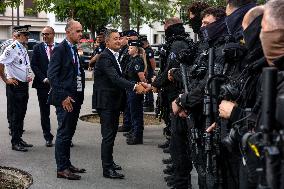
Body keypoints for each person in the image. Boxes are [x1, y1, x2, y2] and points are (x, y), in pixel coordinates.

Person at [92, 29, 146, 179]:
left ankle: (109, 161)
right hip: (107, 103)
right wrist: (135, 87)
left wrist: (139, 84)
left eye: (119, 38)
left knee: (111, 134)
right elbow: (115, 79)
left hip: (113, 102)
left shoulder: (113, 55)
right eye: (115, 39)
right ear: (107, 42)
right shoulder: (104, 57)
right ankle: (107, 168)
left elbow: (121, 77)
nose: (118, 41)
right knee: (108, 136)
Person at [47, 20, 86, 180]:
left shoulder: (73, 48)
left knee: (69, 133)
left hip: (75, 97)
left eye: (81, 30)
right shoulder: (60, 49)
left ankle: (67, 164)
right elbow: (52, 75)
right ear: (68, 31)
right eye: (77, 31)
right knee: (63, 133)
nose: (80, 34)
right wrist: (63, 96)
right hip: (65, 99)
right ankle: (61, 168)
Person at [0, 25, 33, 152]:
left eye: (27, 35)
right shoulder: (12, 48)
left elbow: (23, 65)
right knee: (16, 115)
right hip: (15, 86)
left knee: (21, 114)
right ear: (18, 36)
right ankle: (15, 142)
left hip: (24, 85)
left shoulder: (23, 48)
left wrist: (28, 76)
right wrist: (6, 79)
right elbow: (1, 63)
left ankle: (19, 138)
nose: (27, 37)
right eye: (25, 35)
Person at [31, 26, 55, 147]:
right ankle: (48, 137)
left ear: (53, 34)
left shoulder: (60, 47)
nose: (45, 36)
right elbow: (34, 65)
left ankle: (65, 137)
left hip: (58, 86)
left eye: (47, 34)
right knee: (44, 112)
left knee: (62, 112)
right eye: (43, 34)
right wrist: (44, 79)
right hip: (43, 85)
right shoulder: (37, 48)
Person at [124, 40, 147, 145]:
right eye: (129, 48)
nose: (129, 49)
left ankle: (137, 136)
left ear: (136, 50)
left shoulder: (138, 60)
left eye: (131, 48)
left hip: (136, 88)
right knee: (132, 112)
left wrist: (144, 88)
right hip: (131, 88)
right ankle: (133, 131)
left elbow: (141, 77)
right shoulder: (132, 59)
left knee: (136, 113)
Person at [140, 36, 156, 112]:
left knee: (149, 87)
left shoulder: (148, 51)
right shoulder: (144, 50)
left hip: (149, 71)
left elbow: (153, 63)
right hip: (145, 71)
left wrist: (152, 71)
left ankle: (150, 104)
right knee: (145, 86)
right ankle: (146, 102)